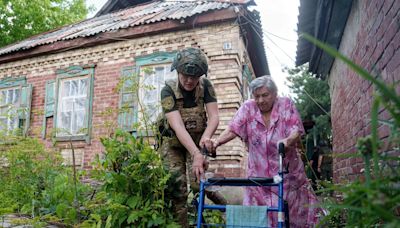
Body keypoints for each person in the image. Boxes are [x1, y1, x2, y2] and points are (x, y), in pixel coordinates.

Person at [211, 76, 322, 227]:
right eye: (257, 96)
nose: (261, 100)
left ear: (274, 93)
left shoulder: (285, 105)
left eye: (265, 95)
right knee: (258, 219)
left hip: (287, 177)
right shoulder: (248, 108)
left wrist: (287, 141)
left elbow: (296, 130)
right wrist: (216, 142)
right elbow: (233, 129)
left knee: (292, 218)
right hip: (258, 179)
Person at [159, 47, 226, 227]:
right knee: (176, 187)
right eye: (185, 76)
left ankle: (227, 211)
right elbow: (177, 125)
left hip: (197, 140)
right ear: (178, 71)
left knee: (200, 183)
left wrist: (205, 139)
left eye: (194, 77)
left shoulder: (206, 87)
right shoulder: (167, 90)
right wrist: (196, 154)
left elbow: (214, 117)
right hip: (172, 143)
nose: (189, 81)